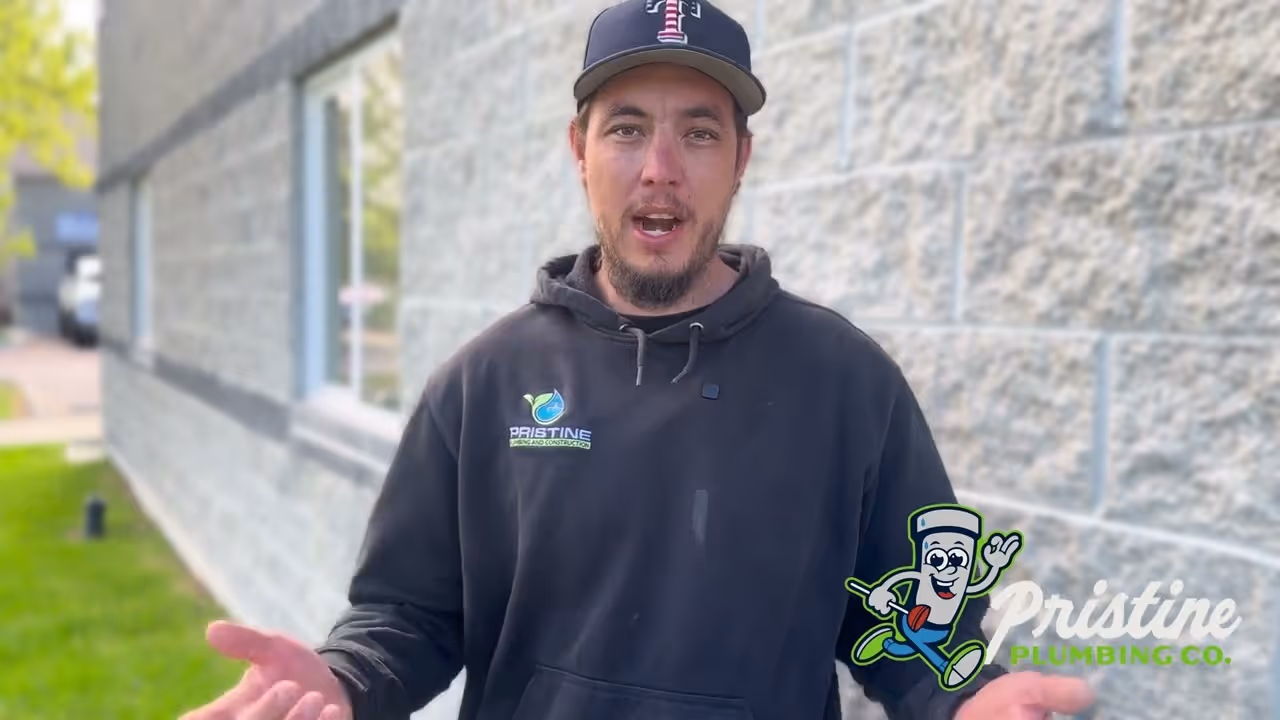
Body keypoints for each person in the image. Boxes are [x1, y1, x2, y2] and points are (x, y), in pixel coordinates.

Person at [180, 0, 1098, 718]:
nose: (660, 166)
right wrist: (343, 682)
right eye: (626, 128)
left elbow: (913, 625)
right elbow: (408, 613)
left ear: (741, 159)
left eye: (699, 132)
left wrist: (966, 697)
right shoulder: (484, 382)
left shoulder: (847, 385)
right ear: (579, 151)